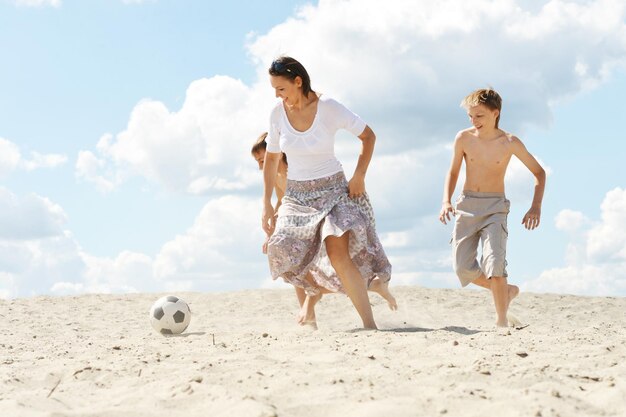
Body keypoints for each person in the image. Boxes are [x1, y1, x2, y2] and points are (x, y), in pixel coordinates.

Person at [261, 56, 395, 330]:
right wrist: (267, 202)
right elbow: (272, 159)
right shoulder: (277, 113)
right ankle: (313, 299)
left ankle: (370, 325)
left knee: (338, 254)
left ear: (298, 82)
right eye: (274, 89)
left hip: (333, 191)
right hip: (296, 197)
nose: (277, 95)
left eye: (281, 88)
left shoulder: (329, 107)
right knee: (280, 247)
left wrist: (359, 175)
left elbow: (368, 136)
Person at [439, 88, 546, 328]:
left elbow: (539, 173)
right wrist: (446, 200)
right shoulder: (463, 138)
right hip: (466, 205)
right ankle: (504, 291)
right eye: (471, 116)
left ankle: (501, 323)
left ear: (495, 113)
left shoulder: (509, 142)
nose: (474, 121)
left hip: (495, 207)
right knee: (462, 269)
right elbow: (453, 171)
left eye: (479, 116)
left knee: (495, 263)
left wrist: (535, 207)